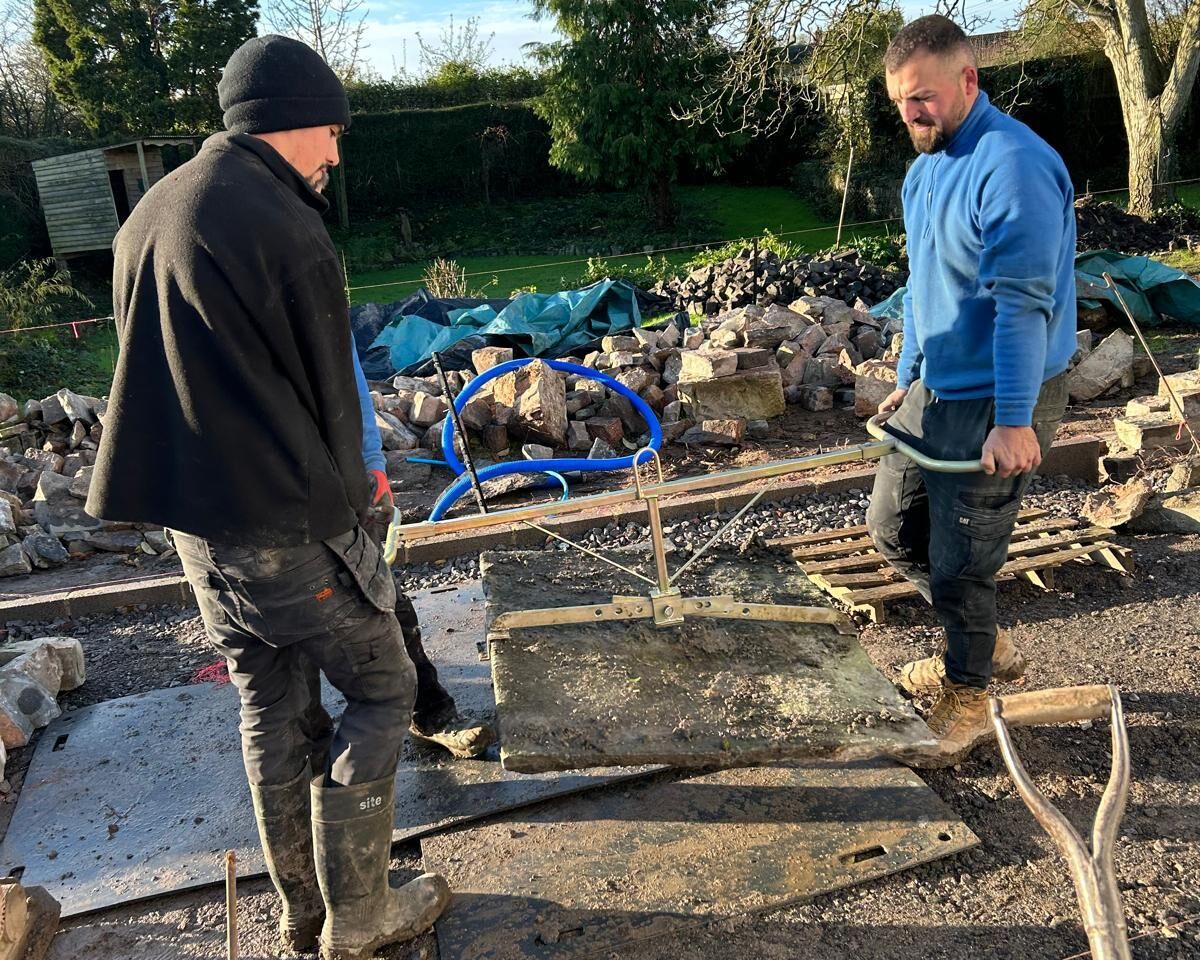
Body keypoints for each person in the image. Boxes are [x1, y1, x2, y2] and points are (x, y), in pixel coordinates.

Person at [87, 35, 450, 959]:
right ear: (292, 122)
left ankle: (302, 912)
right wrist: (361, 519)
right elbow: (335, 401)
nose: (336, 154)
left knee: (271, 705)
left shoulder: (151, 216)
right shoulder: (284, 228)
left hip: (200, 533)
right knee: (382, 684)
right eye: (333, 132)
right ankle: (361, 915)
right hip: (289, 525)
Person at [866, 15, 1076, 766]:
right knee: (892, 528)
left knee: (963, 560)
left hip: (1004, 392)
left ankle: (969, 693)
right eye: (899, 102)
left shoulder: (1011, 164)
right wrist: (907, 377)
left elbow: (1024, 303)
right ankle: (980, 639)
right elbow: (925, 284)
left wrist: (1015, 421)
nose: (911, 114)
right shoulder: (924, 172)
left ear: (968, 81)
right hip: (941, 386)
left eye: (922, 97)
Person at [352, 349, 495, 759]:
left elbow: (350, 380)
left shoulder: (309, 298)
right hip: (260, 509)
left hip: (332, 486)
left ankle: (430, 714)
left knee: (388, 606)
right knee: (290, 652)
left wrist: (371, 462)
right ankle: (312, 759)